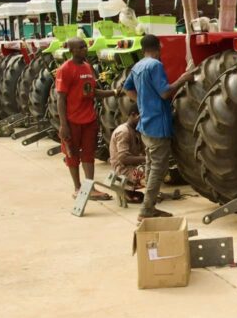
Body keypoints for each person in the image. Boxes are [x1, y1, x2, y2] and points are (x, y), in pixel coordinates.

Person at [123, 33, 194, 219]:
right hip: (157, 124)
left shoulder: (138, 66)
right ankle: (146, 209)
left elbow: (126, 88)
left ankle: (150, 203)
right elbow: (165, 93)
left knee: (150, 163)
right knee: (158, 168)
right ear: (159, 47)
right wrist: (184, 79)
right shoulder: (155, 65)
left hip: (146, 123)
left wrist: (142, 102)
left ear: (142, 49)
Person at [56, 36, 119, 201]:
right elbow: (60, 99)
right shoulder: (65, 69)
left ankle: (89, 187)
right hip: (72, 120)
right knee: (72, 155)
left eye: (85, 46)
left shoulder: (88, 67)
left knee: (89, 154)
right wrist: (64, 125)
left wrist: (114, 92)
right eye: (81, 47)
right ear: (72, 51)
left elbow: (93, 92)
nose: (85, 49)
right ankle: (77, 188)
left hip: (89, 120)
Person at [109, 106, 146, 204]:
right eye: (141, 117)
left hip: (129, 167)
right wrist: (147, 159)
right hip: (122, 169)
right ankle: (126, 191)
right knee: (151, 176)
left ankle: (130, 191)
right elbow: (123, 159)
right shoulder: (123, 132)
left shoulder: (135, 130)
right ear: (133, 115)